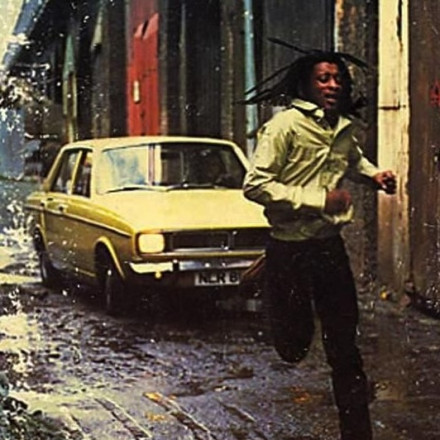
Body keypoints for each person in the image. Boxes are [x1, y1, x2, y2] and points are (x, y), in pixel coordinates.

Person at [243, 51, 396, 440]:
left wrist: (375, 176)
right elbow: (255, 185)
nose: (333, 85)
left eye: (338, 79)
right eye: (323, 78)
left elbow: (353, 159)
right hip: (288, 249)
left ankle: (357, 434)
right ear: (306, 85)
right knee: (293, 346)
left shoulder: (341, 126)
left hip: (328, 248)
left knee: (345, 347)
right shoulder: (284, 127)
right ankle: (274, 297)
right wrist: (318, 200)